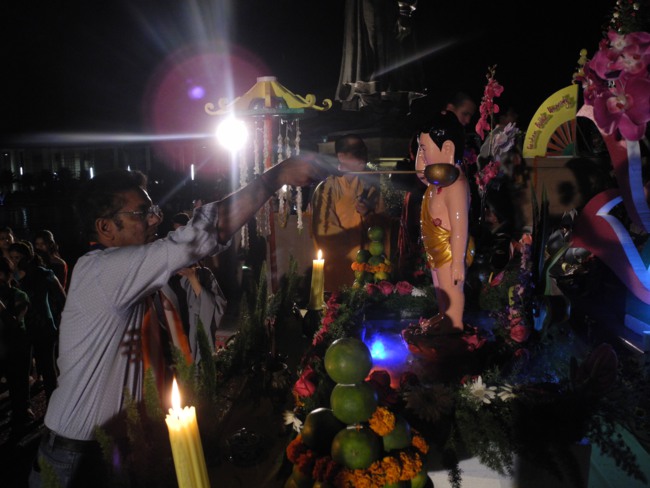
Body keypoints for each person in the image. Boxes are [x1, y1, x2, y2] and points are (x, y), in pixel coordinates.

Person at [28, 154, 331, 488]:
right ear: (105, 228)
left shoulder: (131, 278)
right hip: (78, 458)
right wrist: (276, 176)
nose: (154, 220)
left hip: (116, 446)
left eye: (152, 210)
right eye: (141, 214)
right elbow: (199, 236)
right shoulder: (102, 271)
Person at [415, 112, 473, 332]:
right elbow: (420, 172)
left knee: (451, 289)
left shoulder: (456, 185)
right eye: (420, 149)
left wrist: (457, 261)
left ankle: (454, 325)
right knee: (440, 288)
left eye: (424, 149)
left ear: (447, 149)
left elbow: (460, 227)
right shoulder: (436, 182)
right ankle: (443, 316)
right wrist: (421, 153)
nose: (422, 155)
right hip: (436, 249)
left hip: (450, 250)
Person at [312, 134, 387, 292]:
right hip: (341, 264)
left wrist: (368, 214)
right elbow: (325, 231)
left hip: (368, 266)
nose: (363, 158)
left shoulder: (371, 187)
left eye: (363, 152)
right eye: (356, 153)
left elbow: (382, 228)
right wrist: (355, 252)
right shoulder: (327, 188)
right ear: (341, 156)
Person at [9, 241, 66, 402]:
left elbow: (62, 298)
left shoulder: (44, 273)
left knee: (48, 367)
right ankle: (24, 406)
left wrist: (61, 319)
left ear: (29, 257)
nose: (15, 261)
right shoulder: (10, 277)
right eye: (12, 257)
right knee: (22, 369)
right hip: (21, 327)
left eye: (18, 257)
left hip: (43, 325)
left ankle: (53, 403)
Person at [0, 255, 32, 439]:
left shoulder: (20, 296)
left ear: (8, 275)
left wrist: (2, 309)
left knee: (17, 388)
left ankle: (20, 425)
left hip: (15, 348)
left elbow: (15, 323)